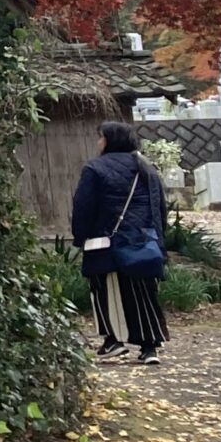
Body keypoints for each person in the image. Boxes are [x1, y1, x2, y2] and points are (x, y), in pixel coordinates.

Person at [71, 120, 170, 366]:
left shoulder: (95, 169)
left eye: (101, 137)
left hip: (104, 240)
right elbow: (159, 207)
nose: (98, 142)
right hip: (142, 240)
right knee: (143, 291)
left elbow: (83, 207)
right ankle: (150, 346)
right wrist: (158, 239)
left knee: (106, 291)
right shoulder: (146, 167)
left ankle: (114, 341)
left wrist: (80, 236)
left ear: (109, 141)